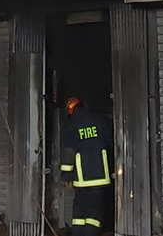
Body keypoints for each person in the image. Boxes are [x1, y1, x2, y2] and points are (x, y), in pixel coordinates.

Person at [59, 98, 113, 236]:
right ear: (85, 105)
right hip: (100, 177)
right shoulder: (100, 121)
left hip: (81, 180)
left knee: (79, 215)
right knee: (94, 216)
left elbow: (68, 151)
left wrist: (66, 175)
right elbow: (110, 142)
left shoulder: (71, 125)